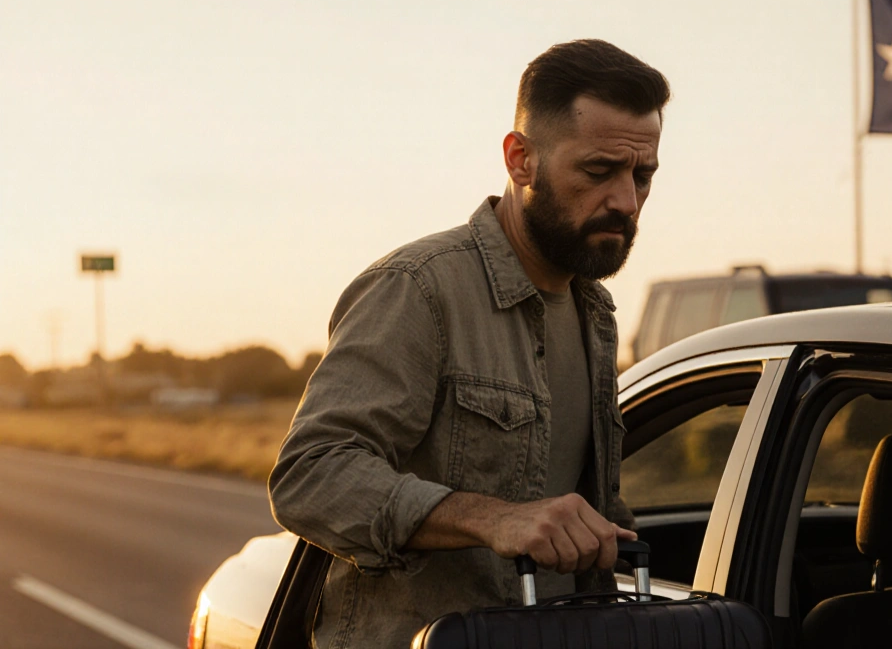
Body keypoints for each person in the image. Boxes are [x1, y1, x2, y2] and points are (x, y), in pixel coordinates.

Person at [268, 39, 670, 646]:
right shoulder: (418, 290)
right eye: (598, 171)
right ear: (520, 161)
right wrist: (494, 519)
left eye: (643, 175)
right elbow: (310, 475)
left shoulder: (596, 311)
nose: (625, 200)